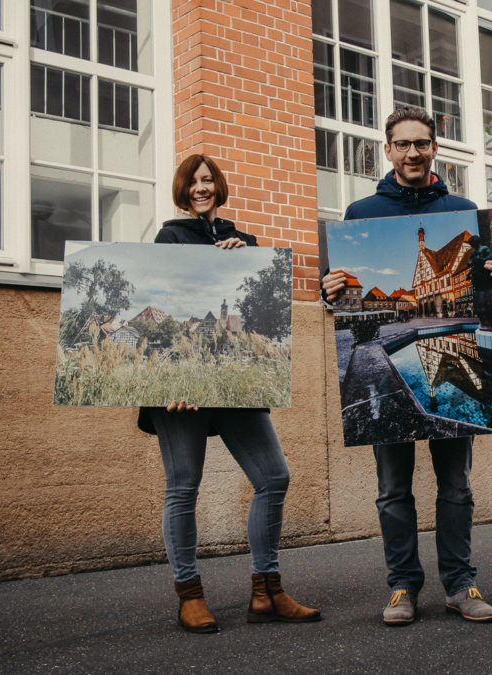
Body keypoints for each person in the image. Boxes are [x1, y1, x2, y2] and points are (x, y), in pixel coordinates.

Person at [321, 107, 492, 626]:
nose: (413, 153)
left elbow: (484, 288)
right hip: (396, 381)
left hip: (458, 354)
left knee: (457, 487)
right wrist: (328, 289)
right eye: (402, 145)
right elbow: (338, 289)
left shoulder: (463, 211)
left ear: (435, 148)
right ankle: (402, 585)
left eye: (421, 143)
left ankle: (461, 583)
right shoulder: (361, 213)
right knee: (392, 489)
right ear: (387, 151)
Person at [138, 154, 320, 633]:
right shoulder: (170, 237)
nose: (201, 188)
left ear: (218, 186)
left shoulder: (247, 243)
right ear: (183, 190)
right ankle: (189, 594)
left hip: (235, 380)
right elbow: (167, 302)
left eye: (208, 180)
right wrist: (169, 381)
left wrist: (246, 262)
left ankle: (267, 591)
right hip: (179, 385)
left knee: (273, 477)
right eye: (193, 182)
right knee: (183, 487)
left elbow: (259, 312)